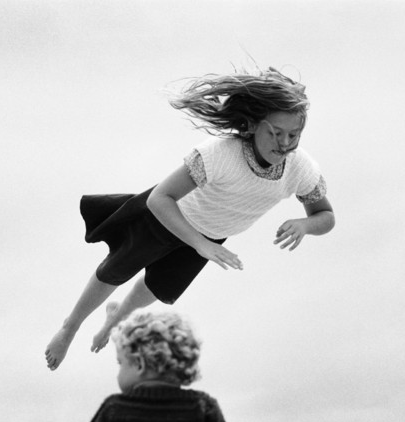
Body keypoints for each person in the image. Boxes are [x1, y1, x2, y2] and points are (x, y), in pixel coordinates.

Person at [46, 66, 335, 370]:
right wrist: (200, 244)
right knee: (115, 271)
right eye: (276, 133)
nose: (284, 144)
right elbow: (160, 198)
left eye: (294, 135)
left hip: (210, 237)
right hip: (166, 219)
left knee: (157, 290)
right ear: (251, 126)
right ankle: (70, 327)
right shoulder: (220, 155)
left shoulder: (299, 168)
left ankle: (113, 321)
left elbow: (326, 216)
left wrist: (305, 225)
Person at [77, 310, 234, 422]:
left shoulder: (113, 409)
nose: (118, 373)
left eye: (121, 363)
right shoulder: (204, 408)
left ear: (140, 363)